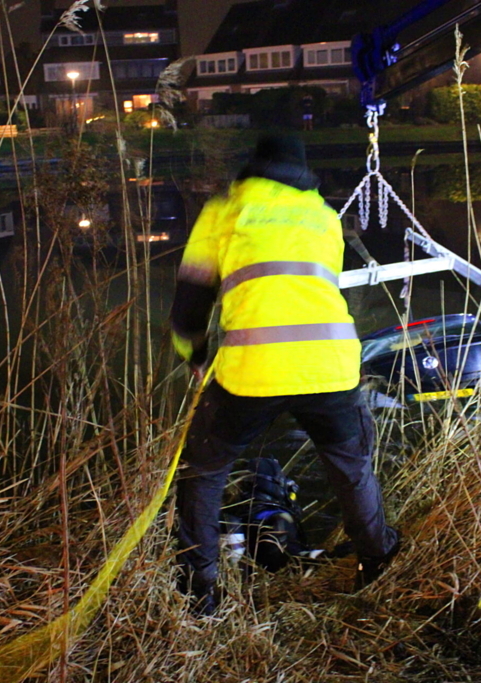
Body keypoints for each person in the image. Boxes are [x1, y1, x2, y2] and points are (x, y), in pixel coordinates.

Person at [169, 133, 400, 616]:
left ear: (253, 167)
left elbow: (192, 295)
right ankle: (379, 559)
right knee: (351, 466)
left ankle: (200, 589)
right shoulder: (323, 215)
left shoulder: (226, 210)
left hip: (251, 369)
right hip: (332, 366)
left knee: (206, 471)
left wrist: (193, 350)